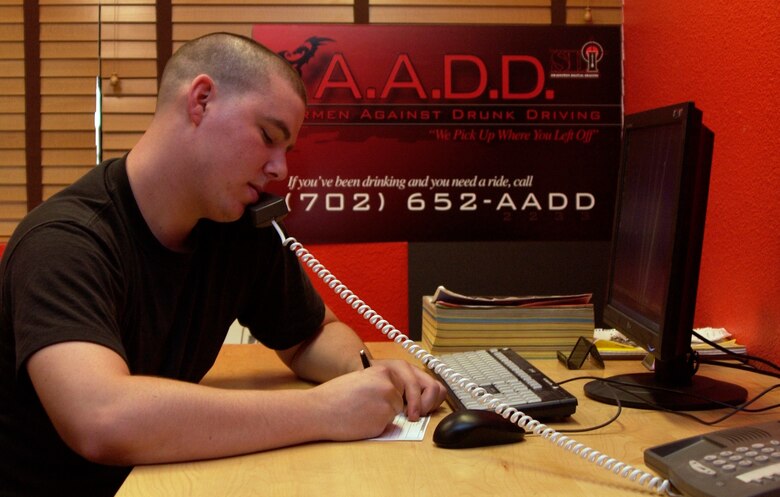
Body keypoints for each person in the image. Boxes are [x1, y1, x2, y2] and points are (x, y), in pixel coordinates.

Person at [0, 32, 447, 496]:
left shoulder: (234, 229)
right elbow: (100, 417)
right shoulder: (64, 242)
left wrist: (366, 379)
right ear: (201, 100)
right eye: (268, 137)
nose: (281, 170)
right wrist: (324, 410)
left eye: (286, 150)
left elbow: (309, 334)